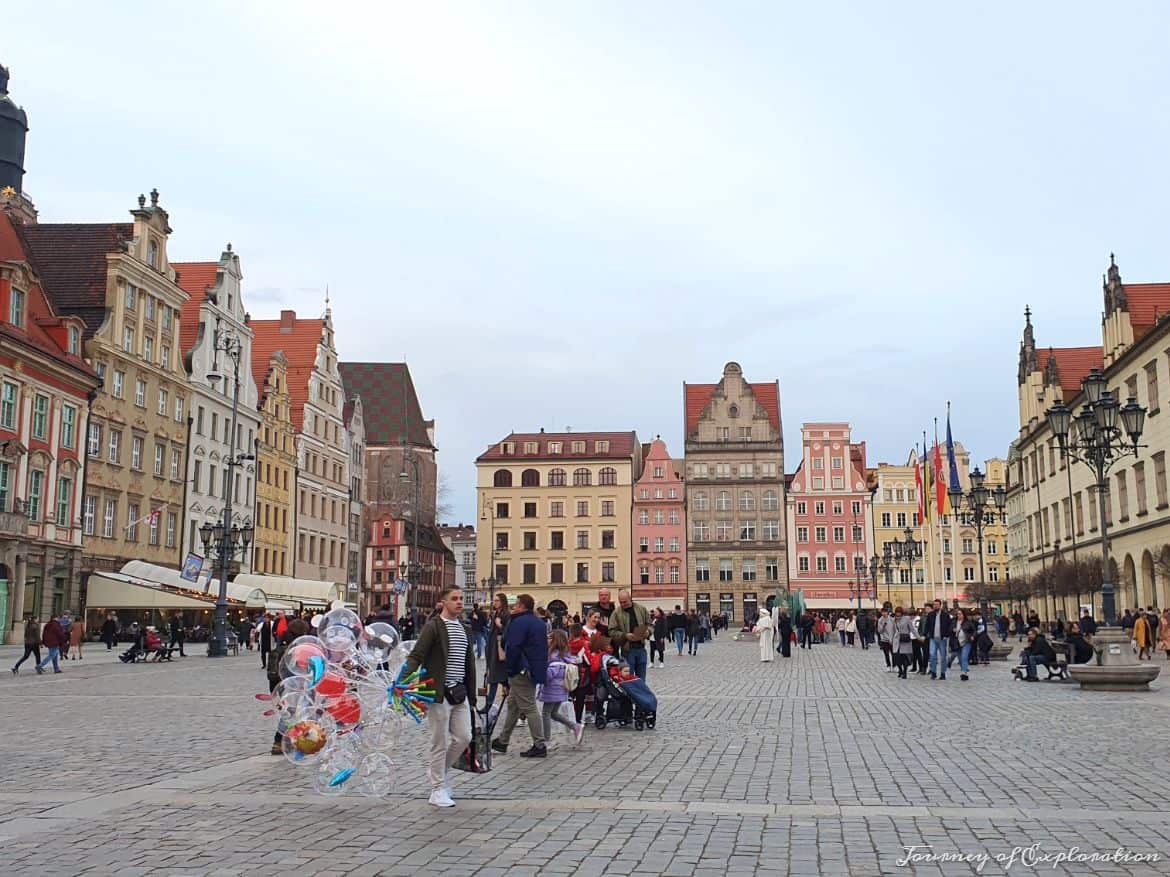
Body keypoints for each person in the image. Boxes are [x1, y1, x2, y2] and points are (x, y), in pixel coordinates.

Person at [402, 587, 476, 807]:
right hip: (438, 692)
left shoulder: (464, 628)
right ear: (443, 602)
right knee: (439, 742)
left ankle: (439, 774)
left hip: (459, 692)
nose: (459, 602)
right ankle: (437, 789)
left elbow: (468, 662)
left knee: (464, 737)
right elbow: (417, 655)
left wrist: (471, 695)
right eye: (454, 599)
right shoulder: (434, 626)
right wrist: (404, 680)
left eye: (461, 598)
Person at [491, 593, 549, 758]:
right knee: (513, 705)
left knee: (529, 707)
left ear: (522, 606)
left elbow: (513, 646)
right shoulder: (539, 622)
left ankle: (539, 744)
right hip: (534, 668)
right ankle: (503, 741)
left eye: (516, 604)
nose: (514, 607)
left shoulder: (519, 622)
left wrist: (510, 669)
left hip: (521, 669)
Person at [538, 629, 585, 747]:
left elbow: (548, 675)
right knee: (553, 713)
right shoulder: (564, 656)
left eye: (549, 638)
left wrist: (540, 671)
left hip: (552, 690)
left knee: (546, 713)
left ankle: (547, 740)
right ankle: (575, 726)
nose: (547, 640)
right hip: (561, 690)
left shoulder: (554, 658)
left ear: (555, 641)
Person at [607, 589, 651, 679]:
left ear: (630, 599)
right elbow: (611, 631)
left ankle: (640, 692)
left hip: (641, 648)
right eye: (621, 602)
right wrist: (625, 635)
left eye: (625, 602)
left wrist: (648, 632)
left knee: (641, 678)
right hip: (627, 650)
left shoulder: (641, 609)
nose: (623, 604)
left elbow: (650, 624)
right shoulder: (616, 613)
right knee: (627, 678)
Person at [484, 593, 511, 715]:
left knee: (496, 678)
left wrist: (500, 625)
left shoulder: (506, 614)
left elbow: (508, 632)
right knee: (499, 678)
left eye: (497, 600)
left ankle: (489, 705)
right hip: (494, 649)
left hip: (500, 651)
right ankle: (489, 704)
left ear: (502, 602)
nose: (494, 603)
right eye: (493, 600)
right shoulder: (495, 613)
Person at [924, 600, 954, 680]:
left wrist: (946, 635)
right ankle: (933, 672)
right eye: (934, 605)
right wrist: (924, 635)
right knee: (932, 655)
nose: (935, 606)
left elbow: (949, 626)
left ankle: (943, 673)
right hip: (933, 638)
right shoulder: (930, 615)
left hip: (942, 638)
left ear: (940, 605)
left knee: (943, 656)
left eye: (937, 604)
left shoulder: (945, 615)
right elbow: (927, 625)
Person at [947, 608, 976, 681]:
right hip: (957, 642)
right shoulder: (954, 622)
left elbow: (974, 630)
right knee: (960, 658)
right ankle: (964, 670)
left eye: (960, 614)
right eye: (958, 614)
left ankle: (964, 673)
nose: (959, 615)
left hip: (966, 641)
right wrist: (952, 630)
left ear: (963, 615)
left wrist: (973, 636)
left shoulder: (967, 622)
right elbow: (949, 630)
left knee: (964, 657)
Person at [892, 607, 916, 679]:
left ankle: (904, 672)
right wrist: (891, 639)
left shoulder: (907, 619)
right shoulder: (894, 620)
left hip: (905, 640)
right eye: (897, 613)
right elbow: (893, 630)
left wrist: (918, 637)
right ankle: (900, 670)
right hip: (897, 640)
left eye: (899, 613)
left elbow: (912, 629)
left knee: (905, 657)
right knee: (897, 657)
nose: (898, 615)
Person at [876, 607, 896, 672]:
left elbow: (895, 629)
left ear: (887, 612)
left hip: (892, 639)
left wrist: (894, 638)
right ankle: (888, 665)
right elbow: (879, 631)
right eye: (882, 612)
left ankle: (894, 666)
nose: (884, 613)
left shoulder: (892, 619)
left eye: (885, 612)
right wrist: (883, 626)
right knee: (886, 654)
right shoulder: (880, 620)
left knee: (893, 653)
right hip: (884, 640)